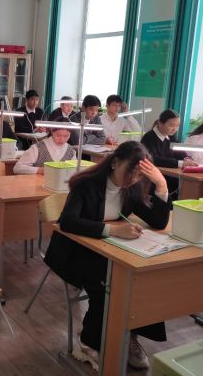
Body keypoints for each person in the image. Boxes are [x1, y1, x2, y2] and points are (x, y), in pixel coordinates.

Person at [44, 141, 171, 370]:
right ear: (114, 163)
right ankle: (87, 342)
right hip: (75, 250)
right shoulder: (86, 184)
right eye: (129, 172)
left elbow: (158, 221)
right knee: (109, 285)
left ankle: (131, 336)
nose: (133, 179)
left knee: (144, 280)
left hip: (110, 250)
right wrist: (113, 230)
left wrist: (161, 185)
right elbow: (68, 222)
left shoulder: (132, 188)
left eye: (138, 175)